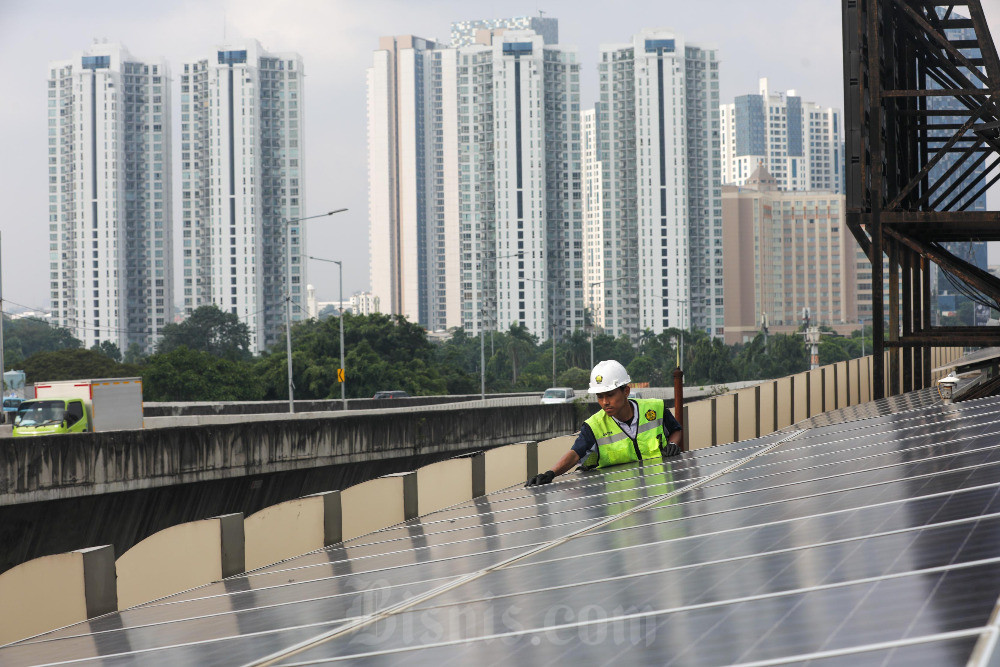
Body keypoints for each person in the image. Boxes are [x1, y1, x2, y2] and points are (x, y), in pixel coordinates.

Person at [525, 359, 682, 487]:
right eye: (600, 397)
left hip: (661, 491)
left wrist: (673, 444)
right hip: (622, 504)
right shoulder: (594, 426)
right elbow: (574, 454)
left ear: (626, 391)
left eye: (610, 395)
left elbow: (676, 430)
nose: (605, 402)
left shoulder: (655, 408)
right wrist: (550, 473)